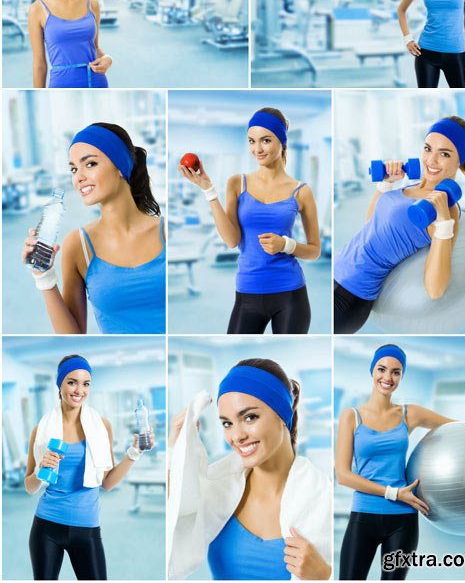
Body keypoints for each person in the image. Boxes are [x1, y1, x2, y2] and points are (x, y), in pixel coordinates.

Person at [168, 357, 332, 579]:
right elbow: (176, 515)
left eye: (250, 417)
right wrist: (174, 454)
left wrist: (325, 575)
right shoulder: (217, 490)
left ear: (282, 414)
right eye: (227, 423)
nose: (237, 436)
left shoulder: (320, 496)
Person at [178, 106, 320, 334]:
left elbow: (314, 251)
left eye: (265, 140)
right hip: (247, 291)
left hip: (291, 294)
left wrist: (286, 245)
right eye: (251, 141)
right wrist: (208, 190)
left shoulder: (301, 191)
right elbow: (231, 240)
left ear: (282, 142)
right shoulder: (237, 183)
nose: (257, 149)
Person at [334, 115, 465, 334]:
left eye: (445, 154)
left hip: (352, 295)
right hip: (337, 272)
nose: (431, 160)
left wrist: (443, 223)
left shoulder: (443, 208)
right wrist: (386, 185)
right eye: (428, 149)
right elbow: (371, 226)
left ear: (459, 161)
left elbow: (435, 289)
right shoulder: (410, 184)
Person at [21, 122, 165, 335]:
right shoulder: (78, 245)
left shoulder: (164, 232)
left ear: (119, 166)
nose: (78, 177)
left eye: (89, 164)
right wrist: (44, 278)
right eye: (73, 169)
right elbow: (73, 336)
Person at [25, 351, 154, 581]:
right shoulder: (41, 429)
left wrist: (135, 452)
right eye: (72, 382)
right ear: (60, 384)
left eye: (86, 384)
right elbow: (29, 486)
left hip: (87, 527)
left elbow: (108, 483)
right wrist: (39, 469)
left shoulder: (102, 425)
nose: (79, 390)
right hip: (46, 526)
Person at [336, 342, 455, 580]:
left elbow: (457, 428)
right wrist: (394, 493)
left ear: (401, 376)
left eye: (396, 372)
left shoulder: (409, 413)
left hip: (403, 520)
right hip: (364, 516)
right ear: (372, 371)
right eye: (381, 369)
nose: (387, 377)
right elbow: (343, 475)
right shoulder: (352, 416)